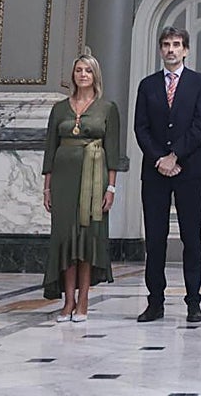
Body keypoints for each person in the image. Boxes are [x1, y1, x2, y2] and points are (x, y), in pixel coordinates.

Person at [134, 26, 201, 323]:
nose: (171, 49)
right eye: (166, 44)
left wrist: (175, 155)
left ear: (186, 50)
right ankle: (155, 302)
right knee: (156, 240)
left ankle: (194, 302)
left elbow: (200, 125)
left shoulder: (199, 83)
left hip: (189, 170)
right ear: (160, 49)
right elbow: (140, 127)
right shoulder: (147, 85)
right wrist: (159, 158)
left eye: (177, 44)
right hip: (155, 173)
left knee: (191, 239)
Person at [42, 49, 120, 321]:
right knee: (65, 239)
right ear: (73, 76)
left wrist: (111, 188)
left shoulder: (107, 108)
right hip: (63, 180)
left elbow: (113, 151)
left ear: (95, 75)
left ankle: (84, 300)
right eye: (79, 71)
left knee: (86, 239)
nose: (83, 75)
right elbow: (50, 148)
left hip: (94, 179)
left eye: (87, 71)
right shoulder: (59, 108)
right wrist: (47, 187)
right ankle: (68, 300)